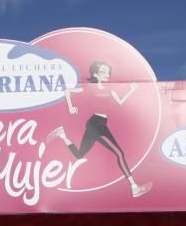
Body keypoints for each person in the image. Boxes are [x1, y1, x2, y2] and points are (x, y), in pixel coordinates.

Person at [48, 60, 152, 198]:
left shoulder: (110, 89)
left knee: (79, 154)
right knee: (119, 154)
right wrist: (71, 107)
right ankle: (134, 187)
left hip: (99, 124)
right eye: (103, 72)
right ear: (96, 74)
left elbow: (120, 102)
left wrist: (131, 90)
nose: (107, 74)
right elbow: (68, 90)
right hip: (95, 125)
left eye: (108, 72)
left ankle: (62, 135)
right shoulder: (89, 87)